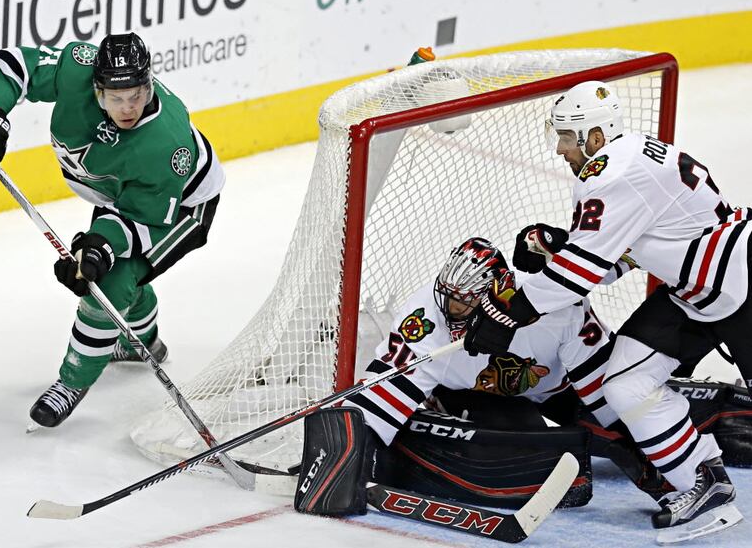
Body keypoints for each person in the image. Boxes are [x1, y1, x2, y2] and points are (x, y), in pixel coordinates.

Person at [462, 80, 744, 536]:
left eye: (565, 138)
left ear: (594, 137)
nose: (559, 150)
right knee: (627, 383)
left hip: (741, 283)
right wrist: (558, 249)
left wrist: (505, 314)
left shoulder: (610, 175)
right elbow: (618, 257)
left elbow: (579, 276)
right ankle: (704, 480)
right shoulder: (629, 154)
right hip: (695, 290)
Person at [0, 33, 225, 428]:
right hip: (120, 194)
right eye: (116, 98)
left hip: (179, 208)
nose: (128, 107)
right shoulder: (77, 67)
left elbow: (144, 221)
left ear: (149, 83)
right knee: (109, 272)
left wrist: (100, 249)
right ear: (96, 89)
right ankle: (143, 341)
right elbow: (12, 65)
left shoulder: (165, 145)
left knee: (111, 280)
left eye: (136, 94)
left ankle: (72, 381)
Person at [293, 237, 663, 515]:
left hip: (557, 387)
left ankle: (668, 484)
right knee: (528, 442)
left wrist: (628, 436)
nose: (452, 313)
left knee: (617, 432)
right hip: (471, 393)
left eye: (465, 304)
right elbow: (382, 396)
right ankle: (434, 414)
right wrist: (340, 451)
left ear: (497, 294)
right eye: (449, 300)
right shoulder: (424, 319)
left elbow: (604, 384)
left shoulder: (557, 307)